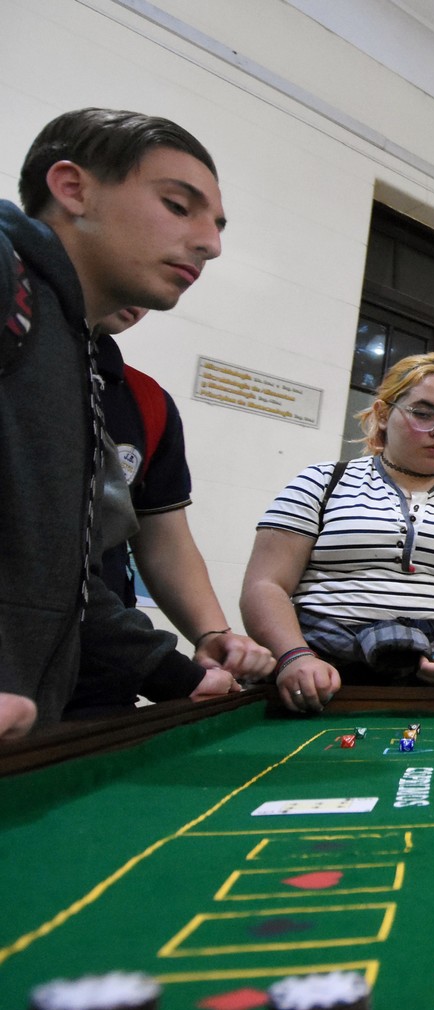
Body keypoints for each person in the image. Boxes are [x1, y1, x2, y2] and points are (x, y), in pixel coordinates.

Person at [0, 107, 237, 731]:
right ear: (73, 189)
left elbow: (65, 577)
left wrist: (182, 676)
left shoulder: (78, 362)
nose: (211, 244)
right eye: (179, 206)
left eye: (217, 225)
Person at [241, 353, 434, 712]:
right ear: (384, 413)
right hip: (322, 672)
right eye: (423, 413)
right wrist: (294, 657)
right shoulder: (321, 482)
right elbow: (265, 585)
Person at [68, 306, 274, 717]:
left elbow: (164, 541)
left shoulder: (145, 400)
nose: (206, 249)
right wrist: (166, 671)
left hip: (100, 683)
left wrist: (213, 633)